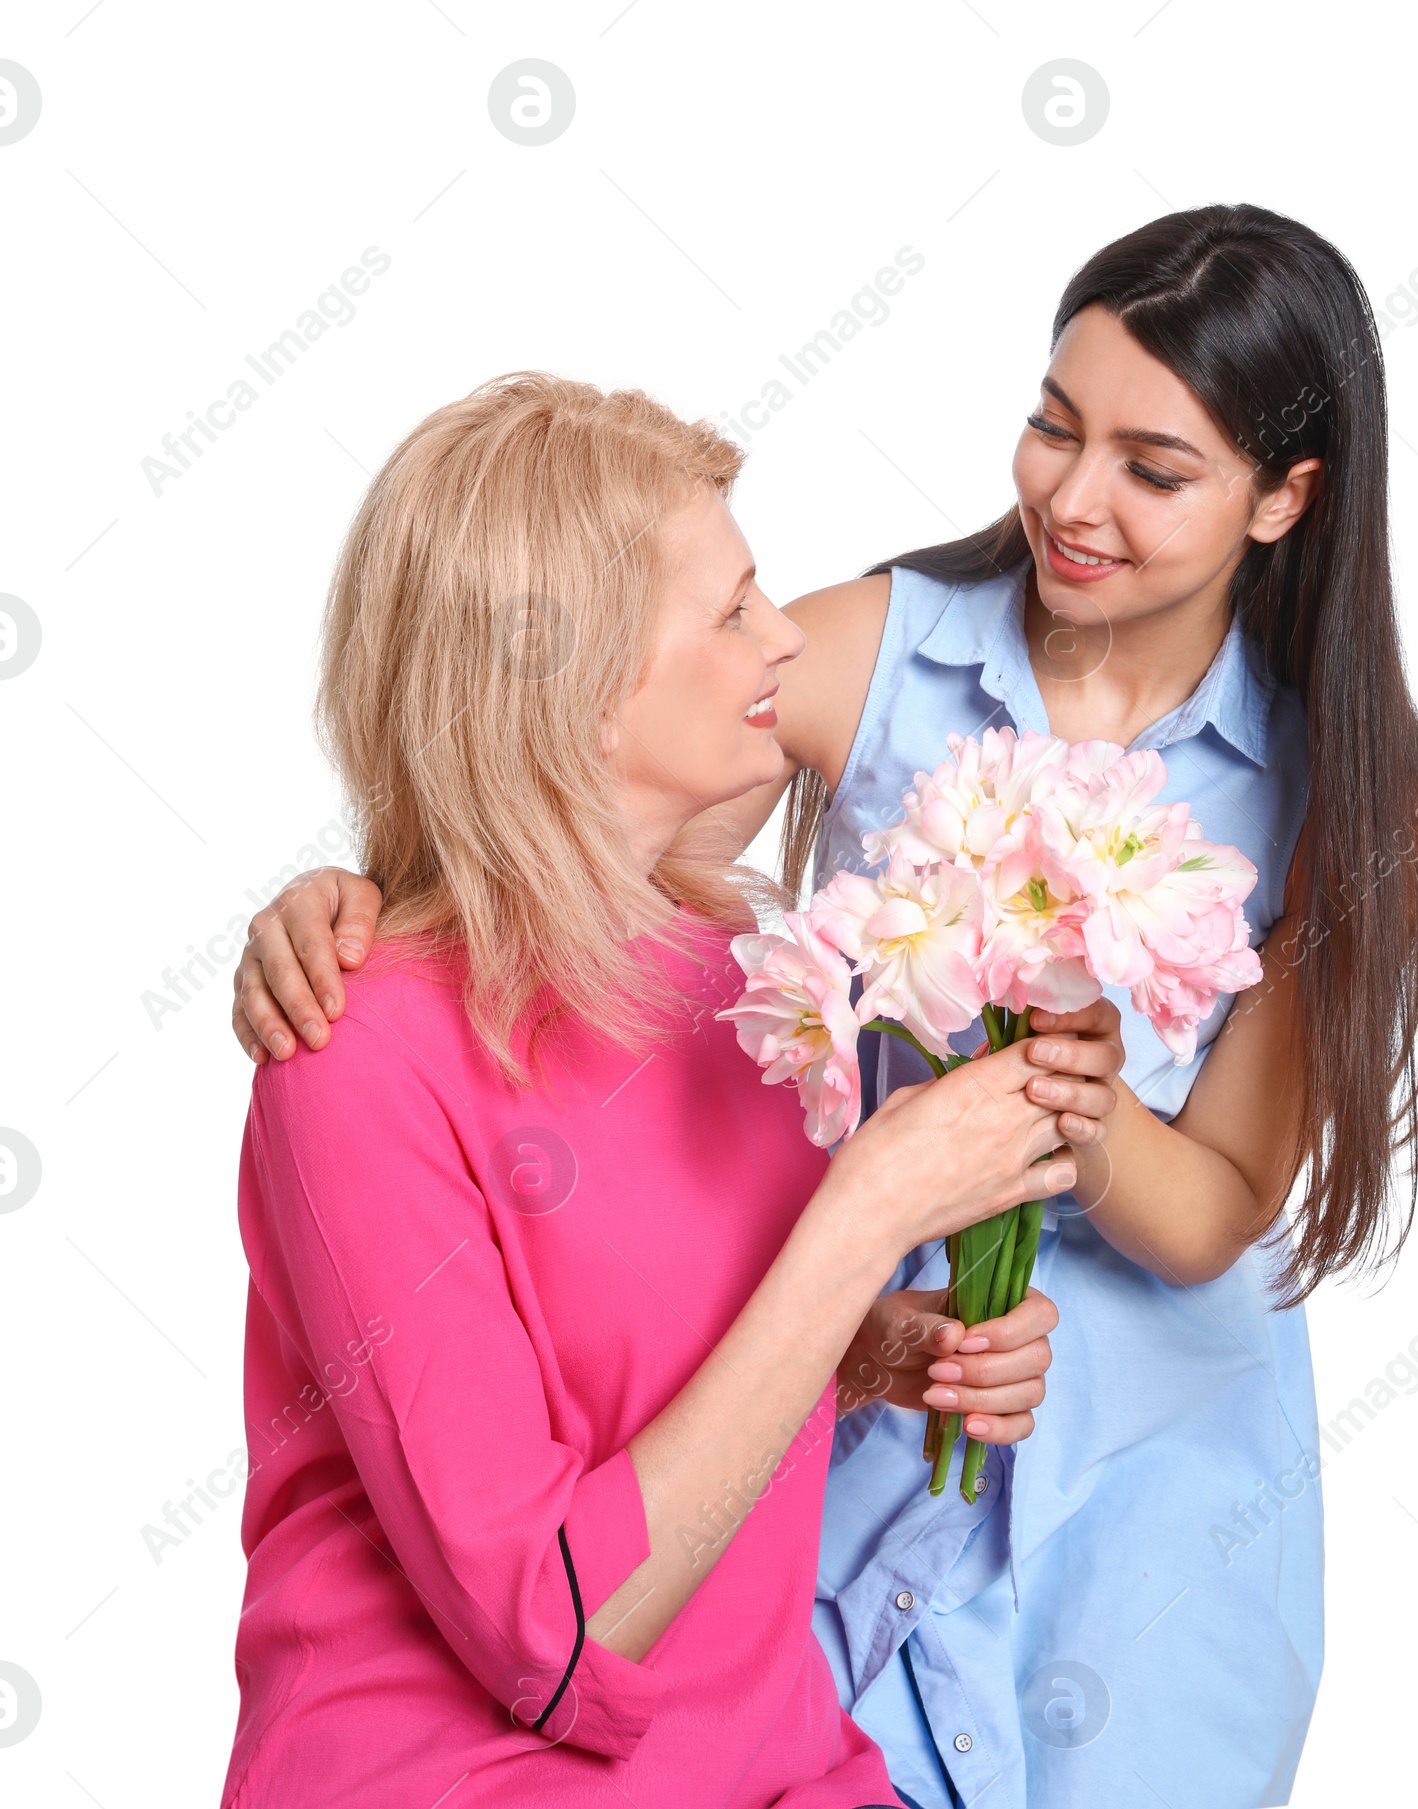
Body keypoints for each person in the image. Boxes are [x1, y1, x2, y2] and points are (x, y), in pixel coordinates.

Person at [232, 205, 1418, 1808]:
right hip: (818, 1478)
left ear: (1286, 498)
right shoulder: (874, 657)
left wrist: (1049, 1106)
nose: (1074, 501)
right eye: (1050, 426)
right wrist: (346, 909)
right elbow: (553, 747)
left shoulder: (1349, 795)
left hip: (1137, 1464)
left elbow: (1216, 1205)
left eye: (1156, 471)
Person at [219, 373, 1119, 1808]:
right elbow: (558, 1635)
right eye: (733, 609)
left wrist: (875, 1348)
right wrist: (873, 1205)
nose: (786, 636)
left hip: (771, 1762)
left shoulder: (725, 975)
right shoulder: (353, 1055)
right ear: (564, 689)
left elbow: (659, 1350)